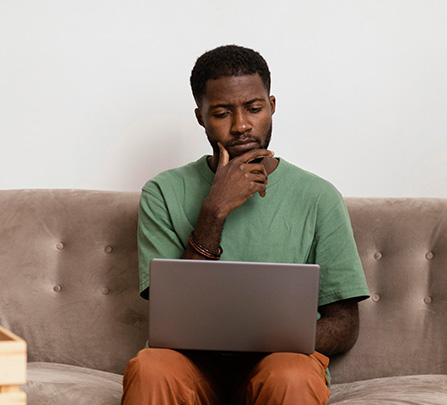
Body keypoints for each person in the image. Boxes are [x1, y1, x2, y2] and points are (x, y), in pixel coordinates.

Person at [121, 45, 370, 404]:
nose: (241, 126)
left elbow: (345, 324)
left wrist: (259, 342)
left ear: (271, 105)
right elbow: (171, 314)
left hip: (278, 367)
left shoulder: (319, 196)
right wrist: (215, 209)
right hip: (189, 365)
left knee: (292, 374)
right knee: (151, 368)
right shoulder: (163, 192)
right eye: (222, 113)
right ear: (200, 116)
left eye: (254, 109)